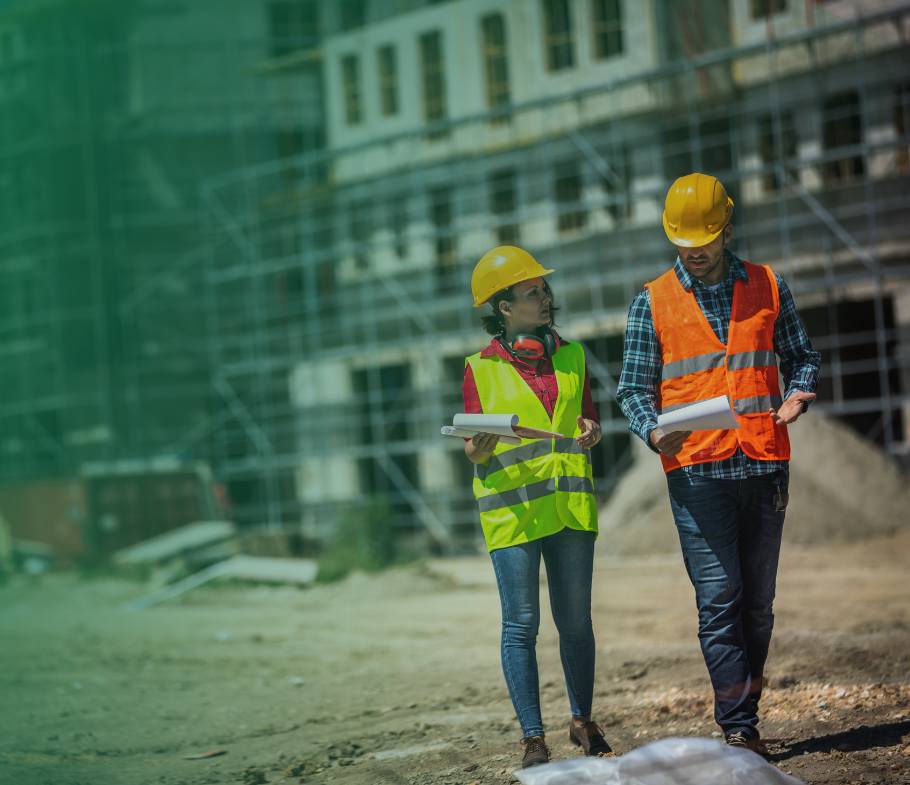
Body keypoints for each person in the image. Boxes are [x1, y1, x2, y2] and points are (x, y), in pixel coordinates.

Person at [616, 173, 821, 755]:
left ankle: (745, 706)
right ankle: (739, 725)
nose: (693, 251)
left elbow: (802, 357)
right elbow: (632, 390)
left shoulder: (769, 285)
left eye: (703, 240)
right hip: (696, 473)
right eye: (683, 242)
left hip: (764, 464)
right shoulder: (651, 301)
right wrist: (653, 430)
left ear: (727, 229)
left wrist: (798, 394)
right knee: (720, 598)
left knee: (757, 605)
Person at [462, 245, 613, 768]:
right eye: (532, 292)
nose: (545, 298)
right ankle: (533, 738)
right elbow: (473, 446)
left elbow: (588, 420)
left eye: (544, 289)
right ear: (504, 307)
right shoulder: (479, 368)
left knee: (576, 623)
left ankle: (582, 720)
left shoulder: (573, 356)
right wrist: (477, 448)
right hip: (514, 513)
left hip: (569, 509)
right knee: (521, 625)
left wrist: (592, 430)